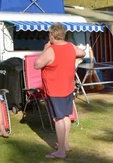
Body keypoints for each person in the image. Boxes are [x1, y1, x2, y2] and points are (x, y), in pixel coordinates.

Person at [34, 23, 86, 159]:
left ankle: (61, 151)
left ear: (52, 35)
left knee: (58, 119)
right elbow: (83, 53)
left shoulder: (51, 50)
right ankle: (65, 144)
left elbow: (37, 64)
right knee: (66, 116)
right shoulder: (70, 46)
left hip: (55, 88)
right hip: (68, 87)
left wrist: (45, 49)